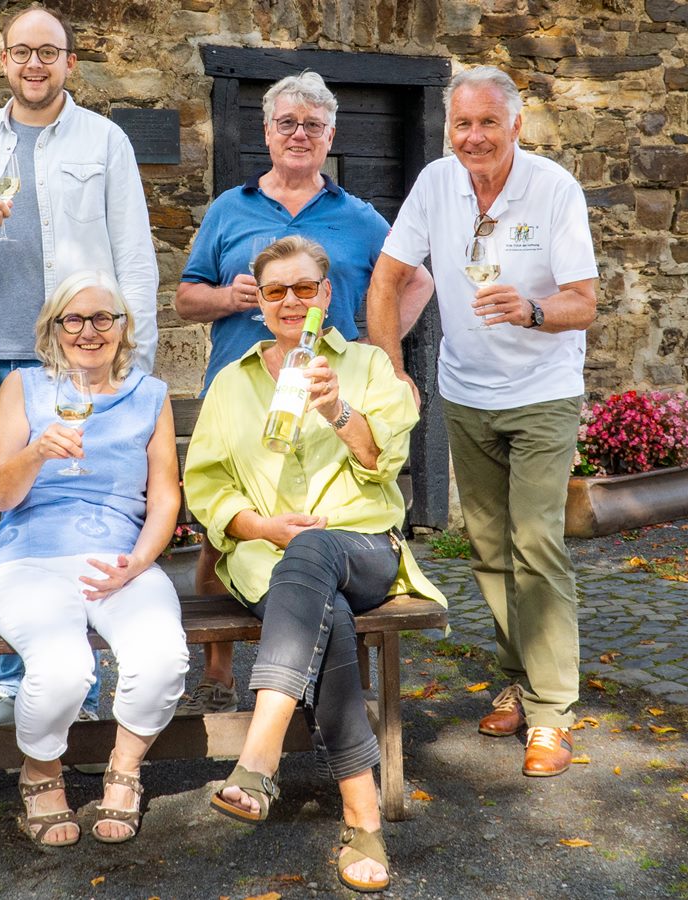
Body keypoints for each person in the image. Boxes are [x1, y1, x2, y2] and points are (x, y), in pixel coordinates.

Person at [0, 3, 159, 729]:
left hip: (75, 352)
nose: (34, 64)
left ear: (68, 63)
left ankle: (72, 685)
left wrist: (130, 359)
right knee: (0, 501)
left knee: (68, 502)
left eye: (48, 52)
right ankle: (18, 673)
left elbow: (135, 256)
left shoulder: (105, 140)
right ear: (3, 59)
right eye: (21, 52)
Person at [184, 235, 445, 893]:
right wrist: (258, 525)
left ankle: (260, 751)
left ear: (327, 295)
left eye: (305, 288)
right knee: (319, 607)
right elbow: (207, 488)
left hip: (362, 550)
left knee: (317, 549)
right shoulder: (232, 382)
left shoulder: (365, 366)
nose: (292, 300)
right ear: (261, 304)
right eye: (277, 291)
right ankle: (363, 817)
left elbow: (386, 457)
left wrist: (338, 410)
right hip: (266, 557)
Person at [173, 71, 434, 717]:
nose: (299, 134)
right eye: (287, 122)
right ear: (266, 132)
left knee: (321, 522)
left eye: (312, 125)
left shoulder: (358, 215)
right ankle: (216, 669)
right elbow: (185, 297)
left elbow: (415, 282)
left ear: (330, 137)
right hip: (245, 387)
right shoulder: (230, 209)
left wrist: (379, 353)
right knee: (226, 532)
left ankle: (303, 677)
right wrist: (227, 298)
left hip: (323, 391)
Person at [366, 65, 598, 777]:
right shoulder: (436, 182)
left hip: (541, 391)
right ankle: (519, 682)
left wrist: (530, 309)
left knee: (537, 542)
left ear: (515, 126)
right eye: (462, 124)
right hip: (467, 392)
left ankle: (552, 713)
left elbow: (584, 302)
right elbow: (386, 279)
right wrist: (389, 369)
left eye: (487, 123)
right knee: (490, 547)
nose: (473, 137)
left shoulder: (553, 188)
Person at [0, 270, 188, 846]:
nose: (89, 331)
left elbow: (165, 492)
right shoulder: (23, 387)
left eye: (104, 318)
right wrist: (36, 454)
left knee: (163, 658)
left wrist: (141, 561)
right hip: (30, 560)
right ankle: (41, 769)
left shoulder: (150, 395)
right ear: (53, 329)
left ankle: (125, 768)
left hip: (120, 560)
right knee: (63, 669)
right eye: (74, 319)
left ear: (124, 329)